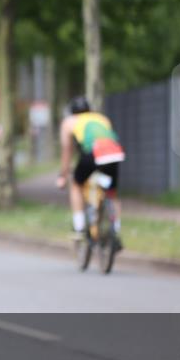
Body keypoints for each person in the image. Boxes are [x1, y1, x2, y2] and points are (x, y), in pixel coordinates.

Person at [55, 95, 125, 249]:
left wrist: (63, 175)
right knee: (111, 192)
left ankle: (79, 227)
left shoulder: (69, 121)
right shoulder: (102, 118)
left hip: (92, 153)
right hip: (114, 153)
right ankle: (115, 232)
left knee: (76, 185)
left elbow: (67, 151)